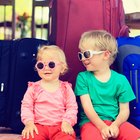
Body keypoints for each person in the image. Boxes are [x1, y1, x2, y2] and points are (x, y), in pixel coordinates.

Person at [74, 30, 140, 140]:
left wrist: (115, 125)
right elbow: (87, 108)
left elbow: (124, 111)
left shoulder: (121, 80)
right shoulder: (83, 78)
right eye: (81, 55)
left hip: (116, 122)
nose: (83, 58)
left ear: (105, 54)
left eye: (87, 54)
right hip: (91, 123)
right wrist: (102, 127)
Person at [21, 45, 78, 140]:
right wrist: (29, 123)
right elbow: (26, 107)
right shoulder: (33, 88)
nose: (46, 68)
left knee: (67, 138)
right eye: (41, 65)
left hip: (60, 126)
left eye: (51, 64)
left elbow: (72, 108)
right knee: (30, 137)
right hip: (38, 126)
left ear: (62, 68)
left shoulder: (66, 88)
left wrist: (67, 122)